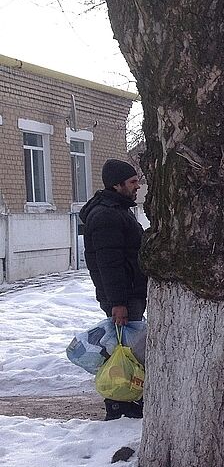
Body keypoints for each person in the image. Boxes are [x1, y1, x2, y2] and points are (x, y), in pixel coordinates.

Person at [80, 158, 147, 420]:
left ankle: (128, 396)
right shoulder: (107, 215)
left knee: (126, 348)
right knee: (122, 351)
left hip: (127, 293)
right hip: (123, 296)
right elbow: (109, 264)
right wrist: (118, 302)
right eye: (132, 182)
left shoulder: (116, 210)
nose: (137, 186)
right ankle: (119, 403)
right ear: (117, 185)